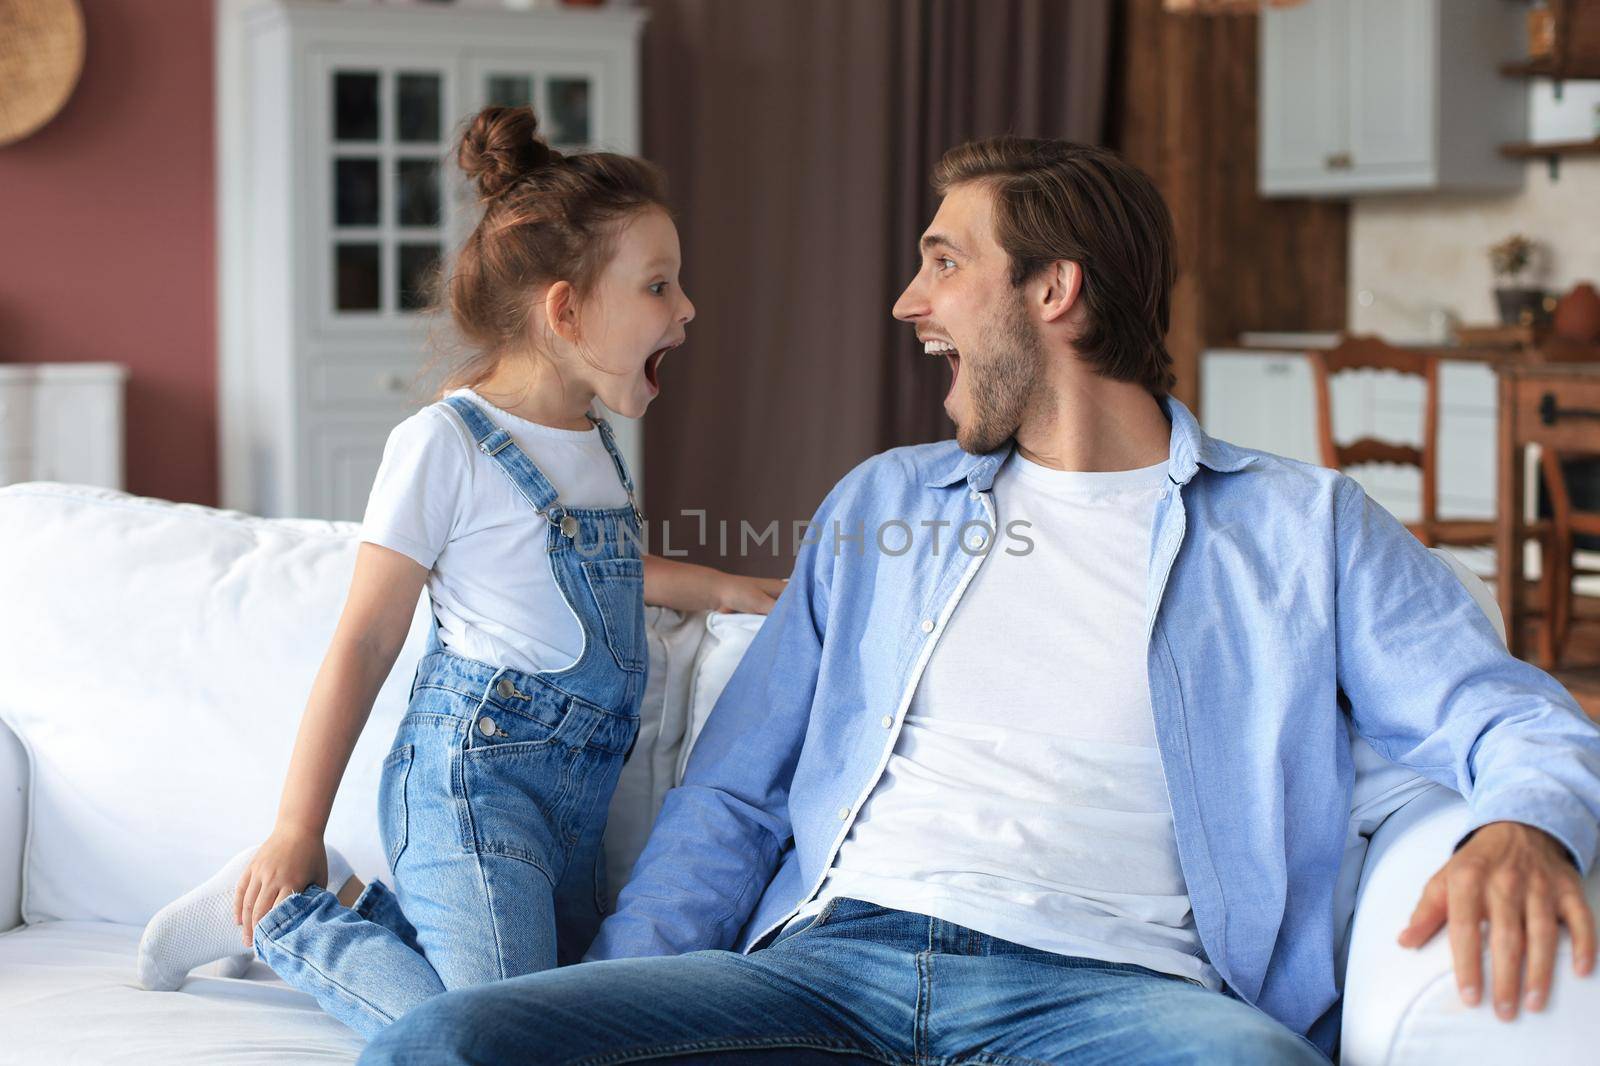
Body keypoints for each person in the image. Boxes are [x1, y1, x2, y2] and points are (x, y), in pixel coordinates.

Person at [364, 136, 1600, 1064]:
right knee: (447, 1046)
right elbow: (732, 796)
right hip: (829, 969)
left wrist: (1522, 825)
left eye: (943, 263)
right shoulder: (880, 508)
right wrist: (614, 995)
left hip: (1117, 999)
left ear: (1053, 293)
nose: (909, 302)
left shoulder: (1300, 530)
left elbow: (1520, 717)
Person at [134, 105, 783, 1037]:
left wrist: (726, 589)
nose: (685, 309)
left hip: (573, 807)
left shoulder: (591, 439)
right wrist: (295, 829)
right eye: (658, 286)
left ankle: (355, 910)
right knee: (507, 1035)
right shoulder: (445, 444)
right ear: (566, 310)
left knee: (556, 1020)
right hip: (470, 787)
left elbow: (581, 571)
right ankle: (282, 912)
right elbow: (364, 640)